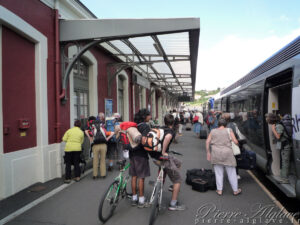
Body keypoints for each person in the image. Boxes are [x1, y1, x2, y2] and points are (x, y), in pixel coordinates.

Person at [148, 114, 185, 210]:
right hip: (162, 158)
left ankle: (159, 184)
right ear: (173, 123)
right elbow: (167, 138)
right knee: (177, 180)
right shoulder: (170, 131)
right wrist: (164, 152)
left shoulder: (161, 129)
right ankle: (173, 204)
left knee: (178, 162)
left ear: (164, 121)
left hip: (154, 157)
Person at [206, 118, 241, 196]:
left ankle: (219, 190)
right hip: (227, 154)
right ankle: (235, 190)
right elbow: (235, 141)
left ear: (218, 124)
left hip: (216, 153)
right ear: (226, 124)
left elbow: (207, 141)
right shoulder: (229, 130)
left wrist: (208, 152)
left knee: (218, 173)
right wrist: (238, 145)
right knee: (232, 173)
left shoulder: (213, 131)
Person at [130, 109, 151, 208]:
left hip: (132, 153)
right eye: (149, 115)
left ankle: (134, 198)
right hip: (141, 155)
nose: (150, 117)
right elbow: (144, 141)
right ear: (144, 117)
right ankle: (141, 200)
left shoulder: (135, 126)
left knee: (134, 176)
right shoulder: (145, 127)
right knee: (141, 177)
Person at [265, 113, 291, 183]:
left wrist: (273, 129)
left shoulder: (278, 126)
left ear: (271, 119)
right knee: (284, 161)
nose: (266, 120)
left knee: (285, 162)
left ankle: (285, 179)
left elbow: (278, 137)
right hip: (283, 145)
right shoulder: (277, 124)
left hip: (286, 146)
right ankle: (283, 177)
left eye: (267, 118)